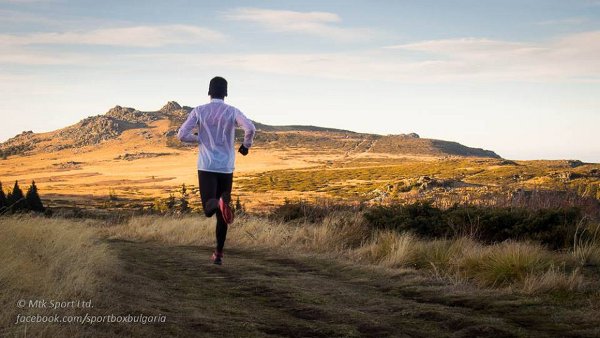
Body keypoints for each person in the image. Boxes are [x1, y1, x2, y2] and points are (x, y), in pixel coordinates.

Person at [177, 76, 256, 265]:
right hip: (226, 167)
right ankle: (219, 254)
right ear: (226, 93)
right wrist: (246, 146)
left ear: (209, 92)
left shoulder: (200, 111)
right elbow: (250, 128)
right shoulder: (232, 111)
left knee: (208, 208)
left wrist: (200, 138)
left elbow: (181, 135)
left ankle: (218, 203)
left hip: (206, 165)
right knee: (222, 215)